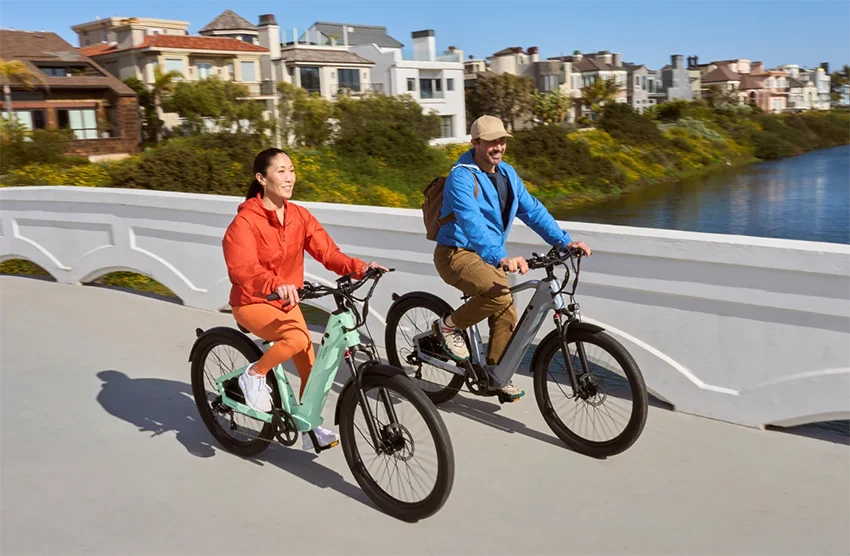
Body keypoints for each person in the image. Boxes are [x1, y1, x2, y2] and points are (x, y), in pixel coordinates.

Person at [222, 148, 386, 451]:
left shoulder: (299, 216)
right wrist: (275, 283)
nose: (289, 177)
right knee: (297, 339)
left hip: (287, 301)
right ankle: (254, 375)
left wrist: (360, 267)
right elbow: (242, 269)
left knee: (314, 370)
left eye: (292, 170)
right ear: (261, 178)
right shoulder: (244, 223)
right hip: (252, 301)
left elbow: (328, 253)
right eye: (281, 171)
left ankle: (308, 422)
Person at [432, 115, 591, 399]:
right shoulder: (461, 176)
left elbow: (533, 211)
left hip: (487, 255)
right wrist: (501, 257)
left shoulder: (507, 174)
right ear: (476, 143)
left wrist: (565, 242)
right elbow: (471, 222)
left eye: (502, 140)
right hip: (457, 254)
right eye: (491, 141)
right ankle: (447, 326)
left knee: (507, 310)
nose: (498, 147)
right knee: (499, 296)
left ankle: (497, 374)